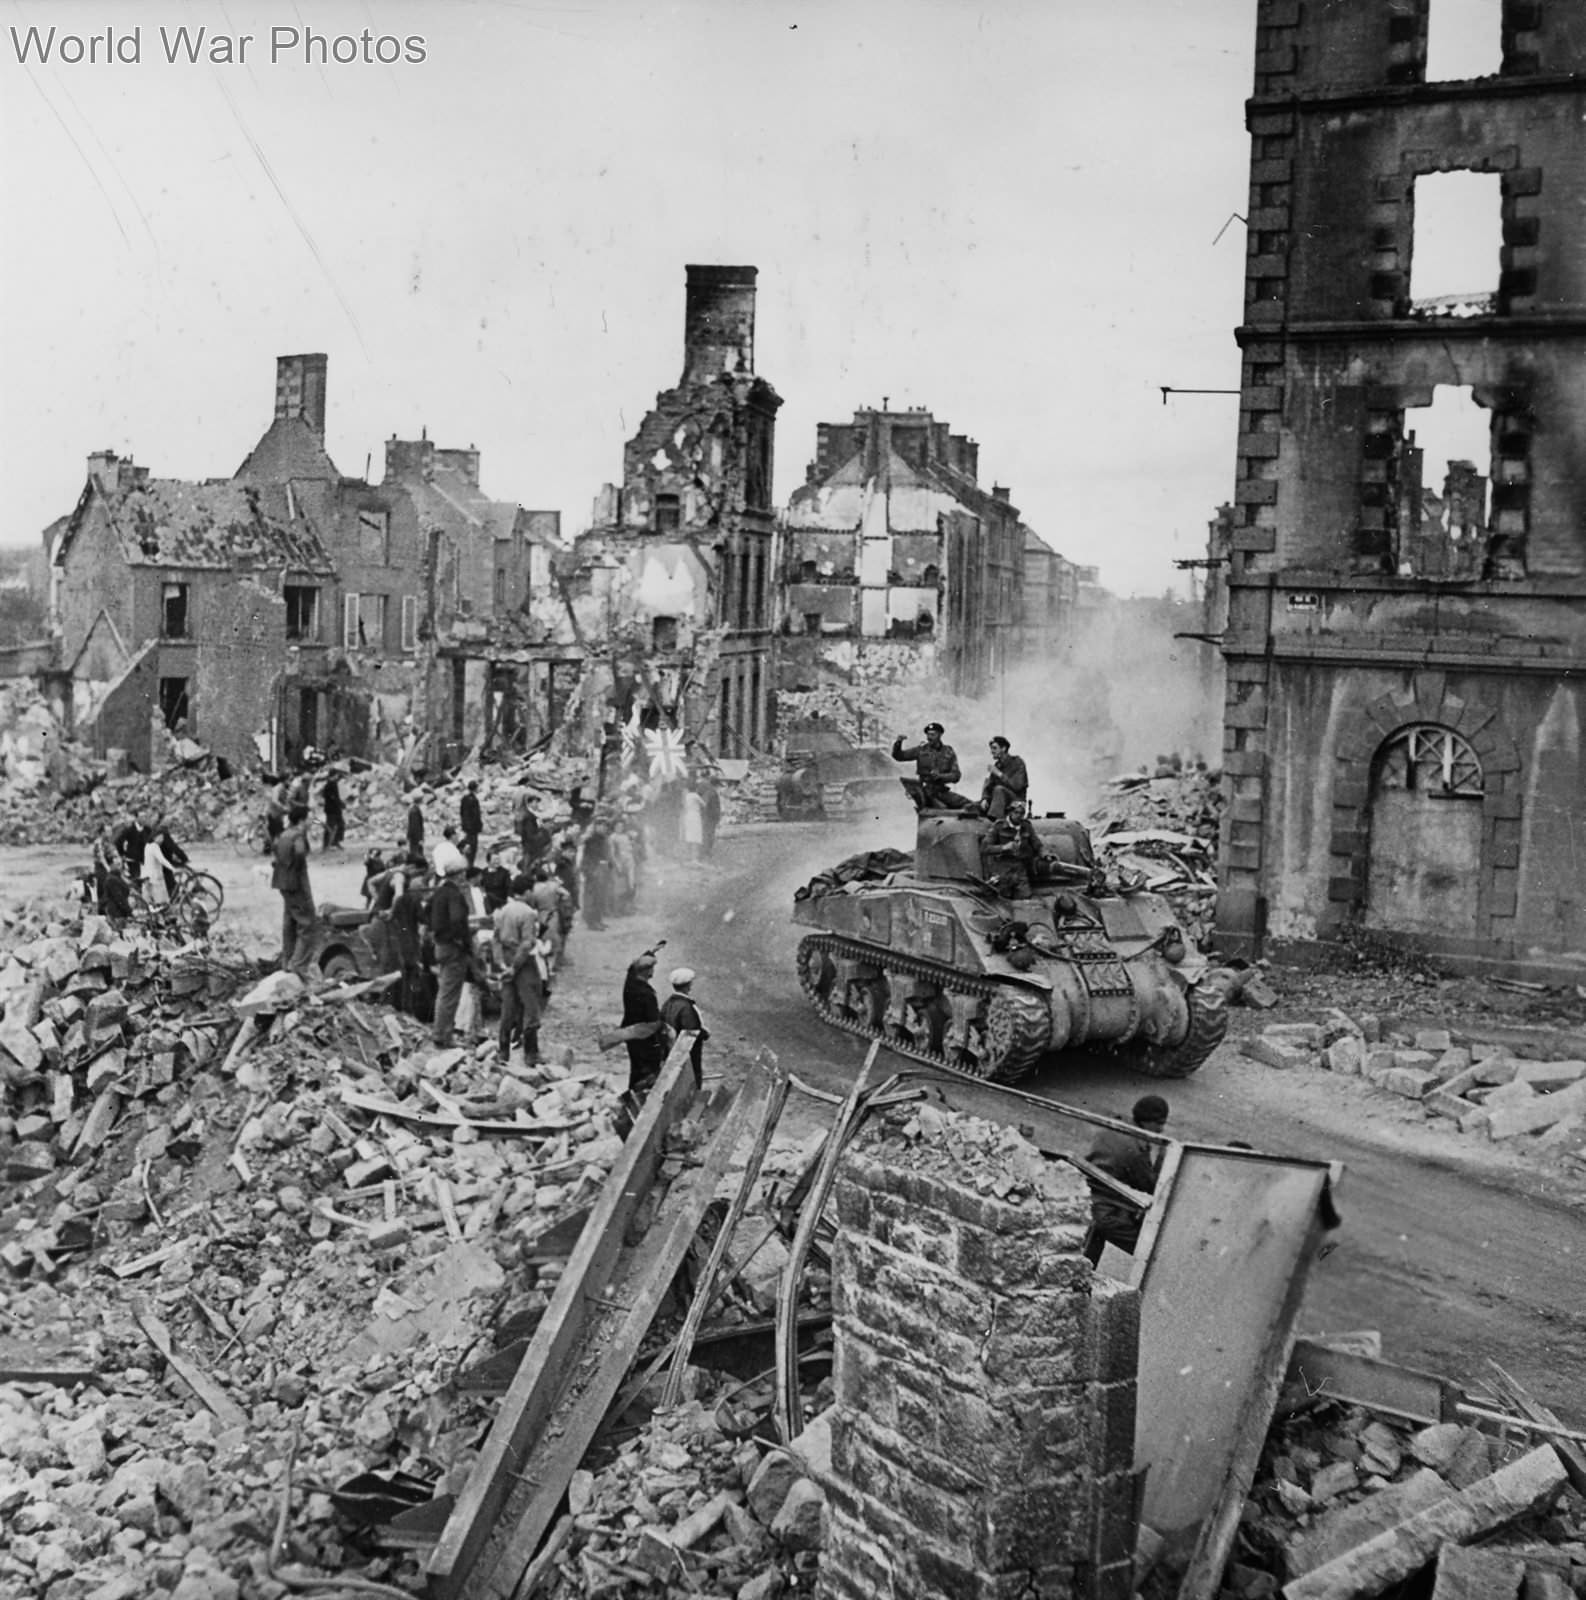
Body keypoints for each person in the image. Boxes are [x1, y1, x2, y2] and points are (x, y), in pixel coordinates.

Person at [1083, 1095, 1170, 1265]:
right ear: (1147, 1122)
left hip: (1089, 1195)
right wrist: (1162, 1158)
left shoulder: (1116, 1127)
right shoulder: (1135, 1150)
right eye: (1159, 1124)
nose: (1161, 1130)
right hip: (1106, 1212)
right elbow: (1150, 1187)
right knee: (1151, 1249)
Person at [493, 879, 545, 1066]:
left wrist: (502, 965)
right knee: (531, 1008)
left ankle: (503, 1051)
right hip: (523, 963)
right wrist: (515, 967)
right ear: (526, 892)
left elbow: (496, 939)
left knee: (508, 1007)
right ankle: (531, 1054)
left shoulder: (502, 911)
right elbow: (527, 943)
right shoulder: (528, 913)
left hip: (506, 959)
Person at [429, 843, 474, 1048]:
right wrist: (463, 942)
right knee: (450, 993)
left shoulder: (439, 892)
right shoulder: (454, 894)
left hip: (440, 945)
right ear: (459, 875)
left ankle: (441, 1032)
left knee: (445, 990)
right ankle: (443, 1035)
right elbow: (457, 921)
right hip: (452, 948)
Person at [620, 951, 670, 1125]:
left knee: (636, 1069)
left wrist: (650, 952)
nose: (653, 972)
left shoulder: (630, 984)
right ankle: (639, 1113)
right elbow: (653, 1021)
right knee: (647, 1073)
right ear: (646, 971)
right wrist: (662, 1042)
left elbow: (630, 969)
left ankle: (629, 1106)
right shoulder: (646, 994)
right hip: (644, 1039)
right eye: (651, 968)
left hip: (630, 1034)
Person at [272, 802, 317, 980]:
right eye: (310, 817)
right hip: (296, 884)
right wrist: (296, 869)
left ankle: (287, 961)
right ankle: (299, 965)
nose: (312, 820)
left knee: (289, 922)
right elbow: (299, 853)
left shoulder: (284, 834)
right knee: (307, 923)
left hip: (283, 884)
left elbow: (275, 851)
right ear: (302, 820)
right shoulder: (298, 836)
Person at [890, 722, 970, 810]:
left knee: (969, 805)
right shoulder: (921, 750)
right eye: (928, 735)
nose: (929, 738)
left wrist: (940, 776)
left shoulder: (948, 752)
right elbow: (899, 756)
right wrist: (898, 743)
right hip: (925, 793)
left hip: (941, 791)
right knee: (943, 810)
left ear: (940, 735)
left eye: (932, 734)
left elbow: (956, 775)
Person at [660, 967, 709, 1089]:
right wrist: (705, 1033)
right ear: (688, 986)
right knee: (690, 1083)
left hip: (670, 1051)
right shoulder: (686, 1007)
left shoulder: (667, 1004)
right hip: (686, 1055)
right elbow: (692, 1031)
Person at [986, 801, 1039, 898]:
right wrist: (1003, 847)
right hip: (1002, 868)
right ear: (1010, 812)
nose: (1019, 815)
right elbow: (985, 848)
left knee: (1025, 897)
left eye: (1022, 813)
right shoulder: (999, 826)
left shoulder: (1026, 826)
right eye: (1016, 812)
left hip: (1019, 868)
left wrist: (1046, 854)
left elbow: (1037, 844)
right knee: (1001, 899)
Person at [981, 736, 1030, 820]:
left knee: (999, 790)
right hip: (999, 802)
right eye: (991, 749)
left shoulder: (1017, 762)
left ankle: (997, 822)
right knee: (972, 806)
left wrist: (999, 774)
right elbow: (989, 786)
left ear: (1003, 748)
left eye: (994, 748)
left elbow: (1017, 786)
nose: (992, 752)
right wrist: (985, 799)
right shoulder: (997, 766)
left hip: (1016, 802)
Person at [460, 780, 482, 869]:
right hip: (472, 828)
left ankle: (468, 864)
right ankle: (470, 865)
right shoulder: (473, 800)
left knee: (468, 846)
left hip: (467, 827)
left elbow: (462, 813)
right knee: (472, 847)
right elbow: (475, 815)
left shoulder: (464, 798)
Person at [679, 782, 705, 860]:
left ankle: (687, 855)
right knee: (696, 837)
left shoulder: (686, 796)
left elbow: (683, 806)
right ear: (696, 788)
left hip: (687, 816)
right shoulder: (695, 796)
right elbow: (704, 804)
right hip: (695, 816)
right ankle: (694, 857)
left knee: (689, 836)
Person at [321, 770, 346, 850]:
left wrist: (340, 803)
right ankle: (326, 845)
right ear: (333, 775)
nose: (337, 777)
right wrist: (340, 803)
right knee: (330, 827)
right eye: (336, 775)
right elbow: (332, 797)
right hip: (331, 809)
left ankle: (336, 841)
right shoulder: (328, 785)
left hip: (336, 809)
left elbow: (336, 797)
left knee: (341, 825)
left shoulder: (334, 784)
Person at [699, 773, 722, 857]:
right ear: (716, 784)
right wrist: (717, 817)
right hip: (710, 817)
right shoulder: (711, 792)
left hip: (709, 817)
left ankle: (706, 851)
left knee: (707, 834)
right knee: (709, 835)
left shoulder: (710, 791)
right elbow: (706, 804)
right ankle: (706, 852)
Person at [264, 778, 289, 854]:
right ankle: (276, 851)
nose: (290, 782)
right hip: (274, 813)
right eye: (288, 780)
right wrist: (283, 807)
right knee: (278, 833)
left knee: (272, 833)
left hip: (274, 813)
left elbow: (284, 799)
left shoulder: (282, 788)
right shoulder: (277, 788)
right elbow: (275, 800)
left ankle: (267, 850)